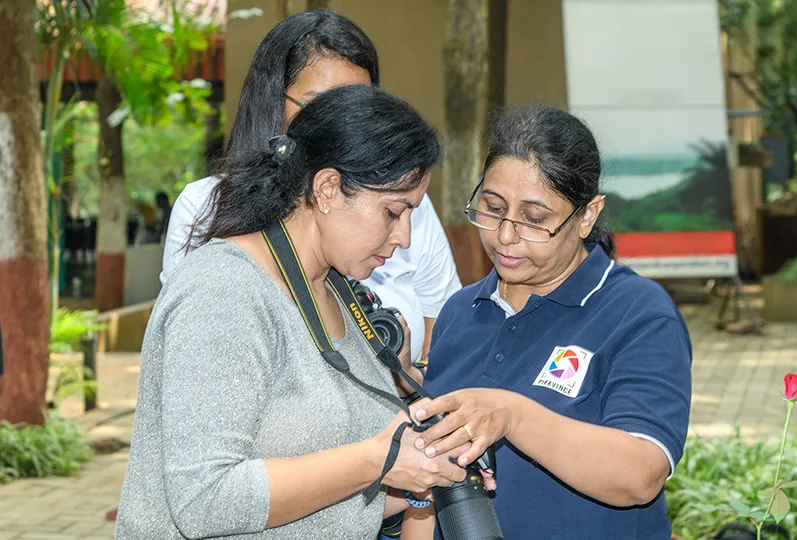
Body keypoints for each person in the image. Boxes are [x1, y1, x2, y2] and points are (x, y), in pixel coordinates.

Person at [114, 85, 469, 539]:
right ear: (327, 189)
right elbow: (203, 500)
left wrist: (431, 473)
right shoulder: (224, 290)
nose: (405, 238)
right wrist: (375, 459)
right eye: (393, 212)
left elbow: (327, 500)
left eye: (411, 215)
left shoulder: (337, 290)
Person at [407, 105, 693, 539]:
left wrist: (512, 416)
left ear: (588, 216)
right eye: (493, 207)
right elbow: (431, 487)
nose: (505, 234)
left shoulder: (637, 312)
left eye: (535, 219)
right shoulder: (459, 312)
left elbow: (641, 473)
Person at [161, 10, 461, 373]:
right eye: (321, 103)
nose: (341, 120)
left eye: (357, 104)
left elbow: (444, 326)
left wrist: (412, 381)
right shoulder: (205, 209)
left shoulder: (405, 204)